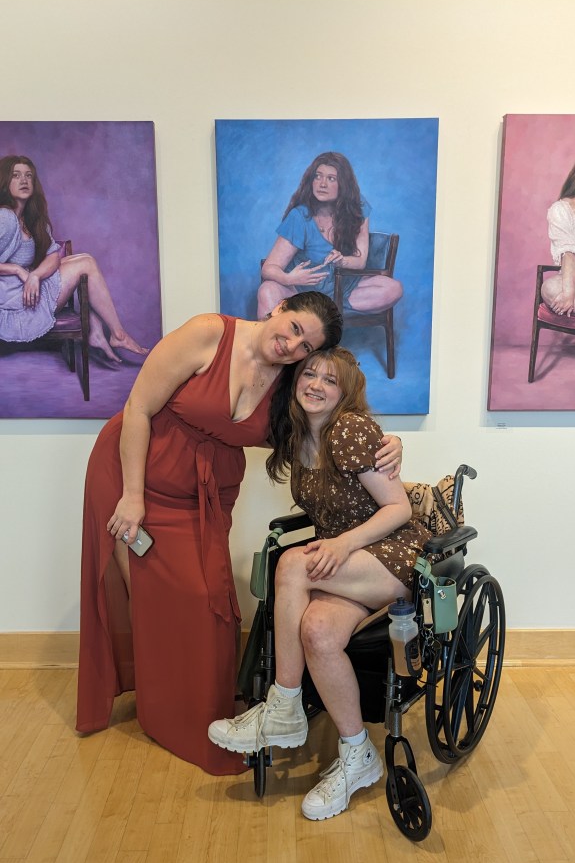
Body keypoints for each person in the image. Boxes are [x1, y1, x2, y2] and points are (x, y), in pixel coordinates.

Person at [76, 291, 403, 776]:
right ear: (278, 309)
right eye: (294, 328)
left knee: (209, 604)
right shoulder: (210, 333)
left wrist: (390, 441)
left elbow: (333, 427)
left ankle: (209, 713)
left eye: (305, 346)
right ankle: (162, 714)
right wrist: (132, 495)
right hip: (135, 476)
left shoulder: (292, 385)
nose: (293, 345)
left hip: (203, 499)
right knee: (151, 597)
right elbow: (138, 408)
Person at [208, 347, 429, 816]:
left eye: (331, 381)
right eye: (310, 373)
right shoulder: (295, 434)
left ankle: (283, 706)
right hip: (345, 566)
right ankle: (357, 755)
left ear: (345, 393)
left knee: (290, 565)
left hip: (390, 557)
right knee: (318, 632)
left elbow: (400, 509)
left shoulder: (348, 429)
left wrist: (344, 544)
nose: (317, 385)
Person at [0, 155, 148, 366]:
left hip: (25, 289)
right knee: (85, 263)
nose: (24, 180)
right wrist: (16, 269)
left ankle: (97, 330)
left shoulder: (31, 219)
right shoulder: (4, 217)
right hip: (11, 300)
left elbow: (53, 255)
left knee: (85, 260)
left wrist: (34, 275)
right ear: (5, 183)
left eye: (28, 176)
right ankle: (117, 334)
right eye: (16, 176)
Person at [257, 151, 403, 321]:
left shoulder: (357, 208)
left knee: (394, 288)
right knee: (267, 290)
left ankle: (326, 312)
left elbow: (360, 261)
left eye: (331, 178)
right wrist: (290, 278)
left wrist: (342, 261)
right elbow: (269, 268)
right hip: (301, 294)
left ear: (344, 185)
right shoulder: (300, 217)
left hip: (343, 291)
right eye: (318, 177)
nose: (322, 184)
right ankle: (314, 315)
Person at [542, 161, 575, 318]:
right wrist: (568, 294)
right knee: (550, 287)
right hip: (571, 278)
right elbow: (568, 253)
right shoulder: (561, 209)